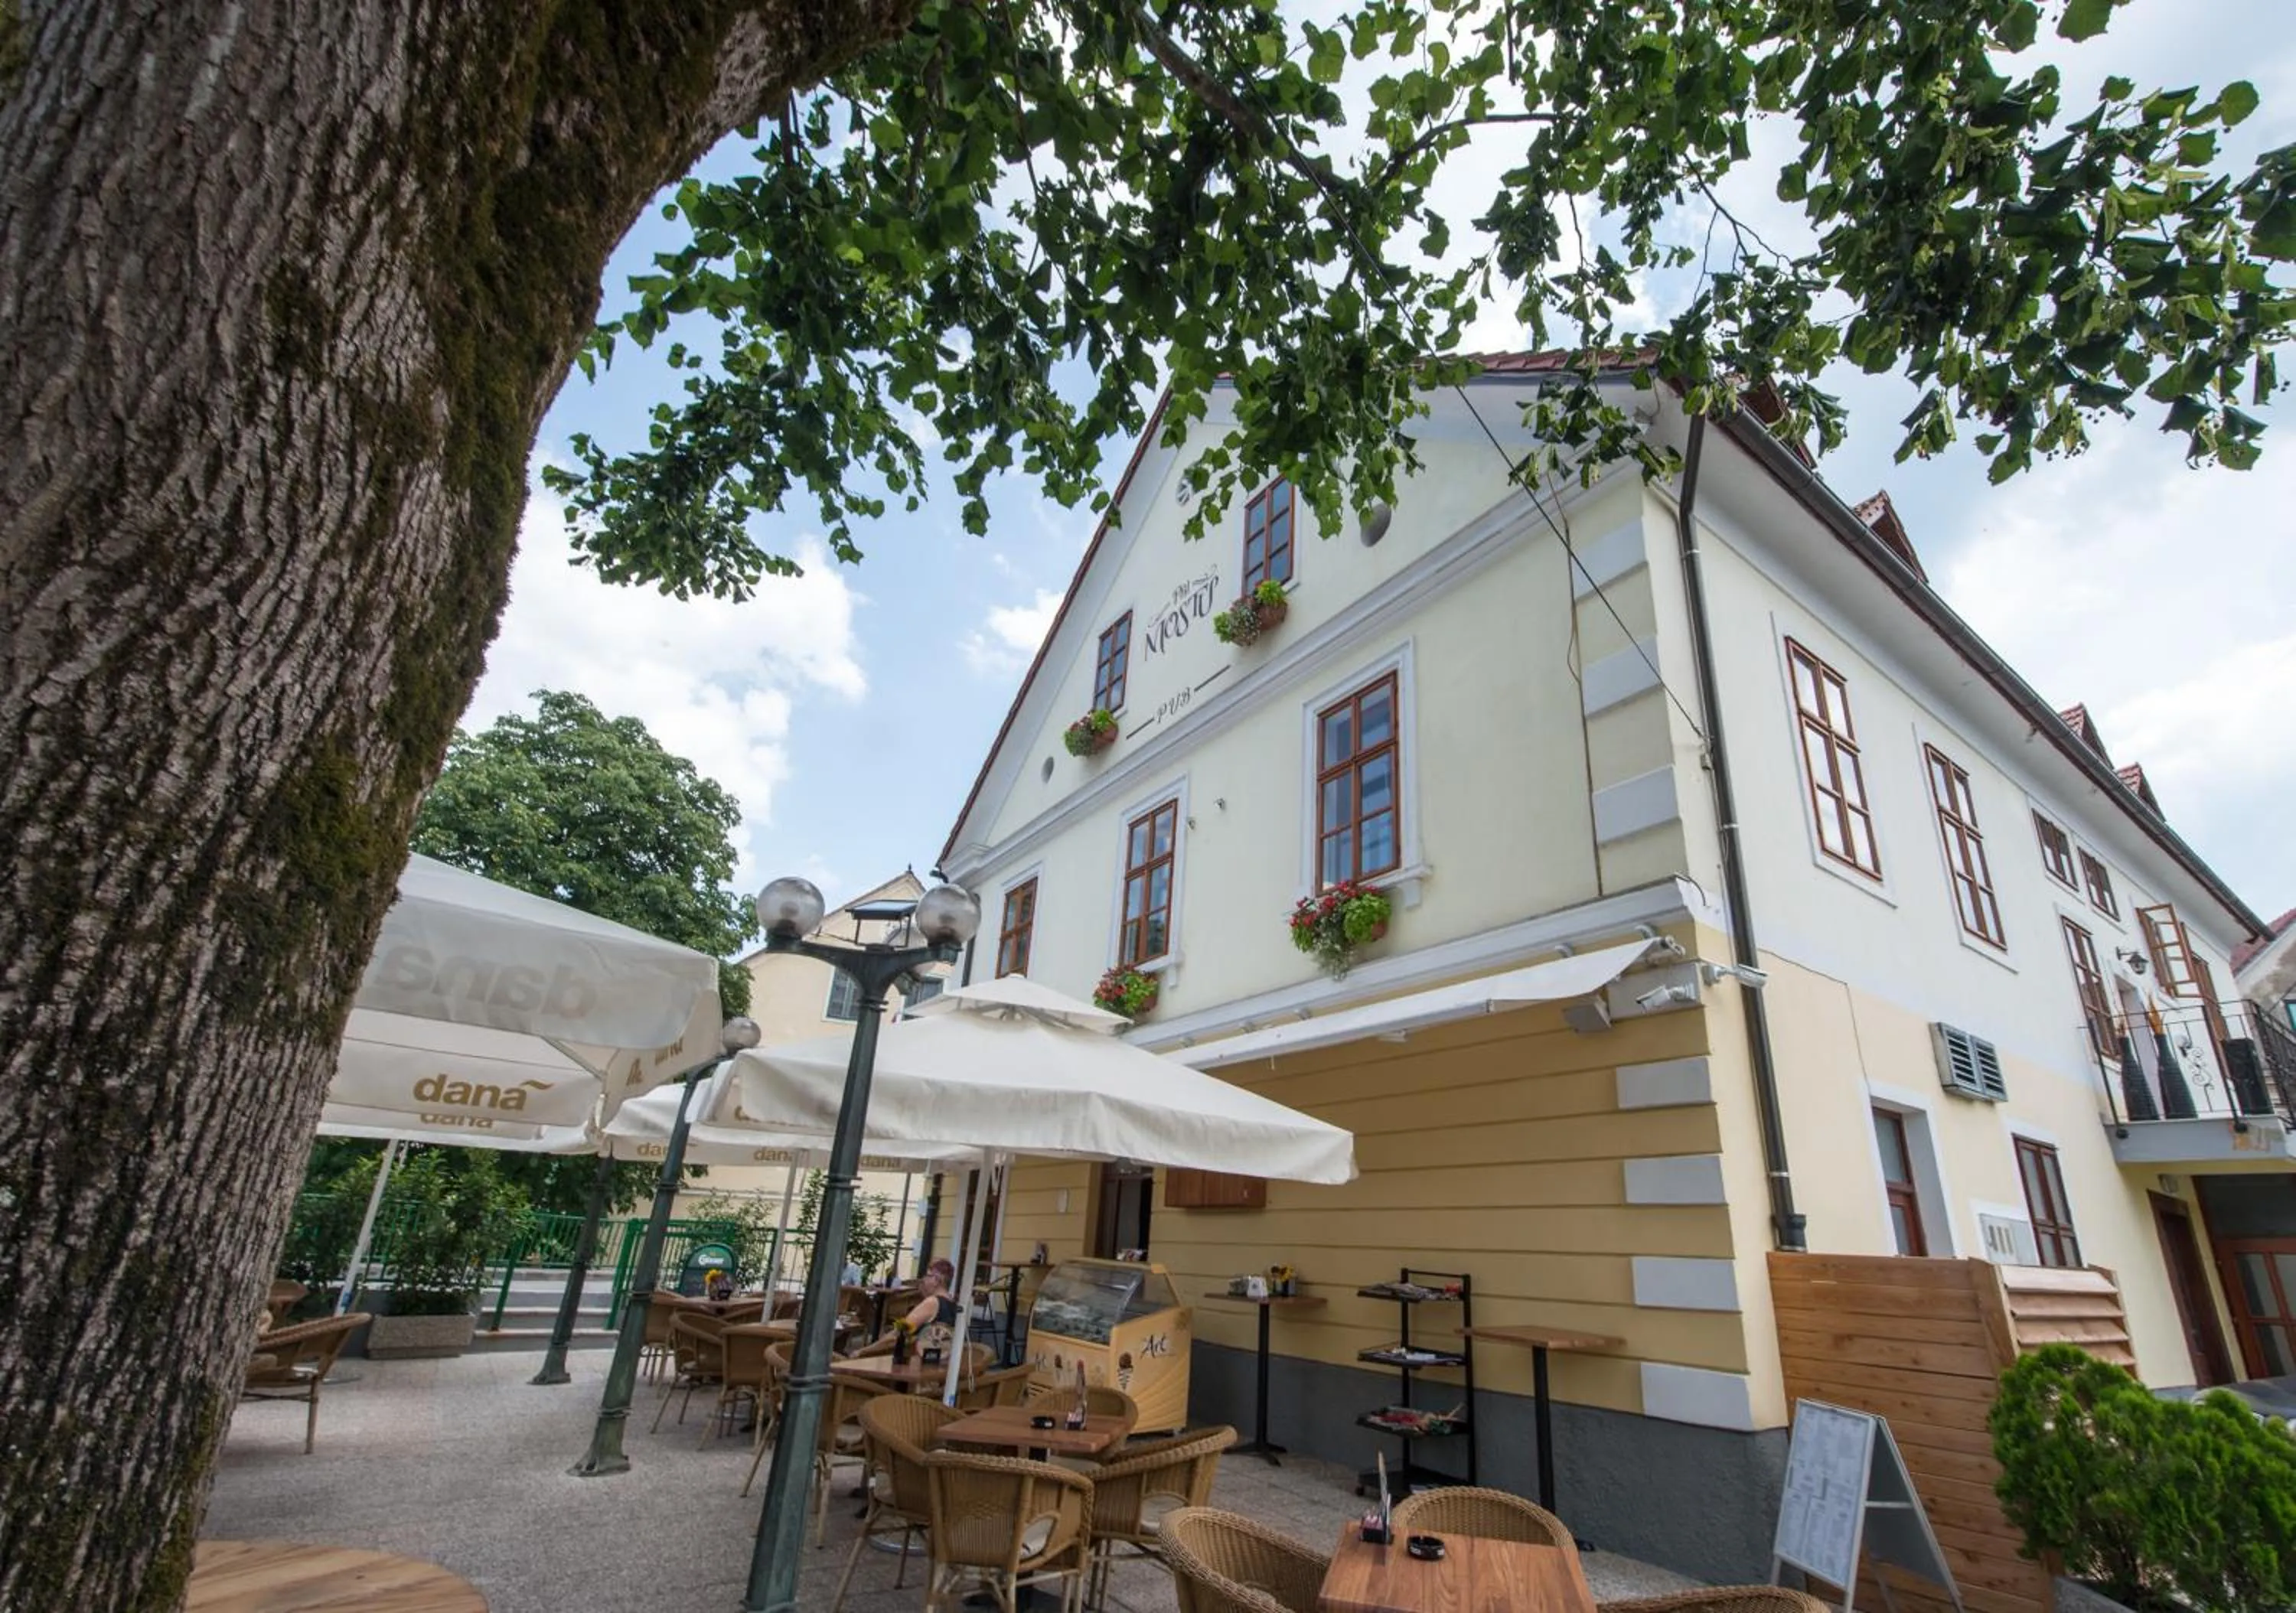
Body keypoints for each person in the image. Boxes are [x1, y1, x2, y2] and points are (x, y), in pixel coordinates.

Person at [902, 1257, 961, 1334]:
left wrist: (881, 1344)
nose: (924, 1280)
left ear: (936, 1280)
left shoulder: (932, 1302)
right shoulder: (952, 1303)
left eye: (927, 1276)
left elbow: (900, 1332)